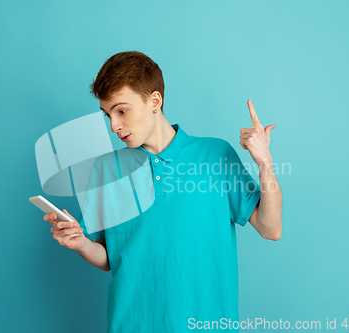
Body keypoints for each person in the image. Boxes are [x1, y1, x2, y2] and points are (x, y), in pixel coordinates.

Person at [43, 51, 283, 332]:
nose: (114, 126)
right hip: (132, 324)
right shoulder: (106, 170)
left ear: (154, 101)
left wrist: (264, 162)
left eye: (122, 111)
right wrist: (80, 243)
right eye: (107, 114)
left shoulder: (216, 155)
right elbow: (110, 257)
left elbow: (271, 229)